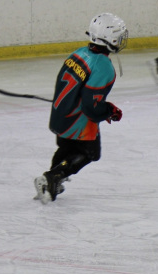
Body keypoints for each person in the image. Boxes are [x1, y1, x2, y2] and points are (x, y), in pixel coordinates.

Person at [33, 13, 128, 203]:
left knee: (66, 149)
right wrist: (109, 111)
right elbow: (91, 107)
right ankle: (54, 177)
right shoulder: (103, 65)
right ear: (111, 38)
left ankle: (49, 181)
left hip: (60, 114)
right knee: (89, 153)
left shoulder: (78, 53)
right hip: (77, 120)